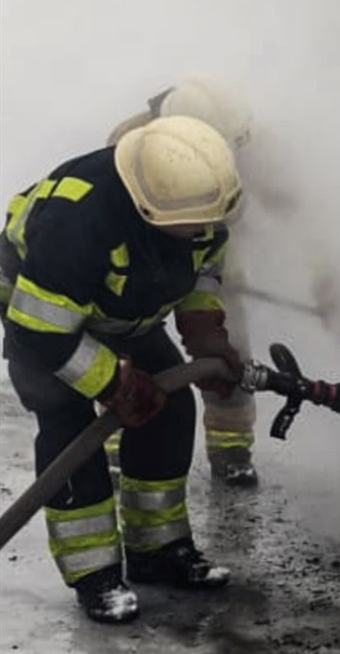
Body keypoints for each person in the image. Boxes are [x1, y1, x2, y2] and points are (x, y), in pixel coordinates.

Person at [0, 114, 245, 624]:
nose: (204, 228)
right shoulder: (79, 218)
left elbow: (201, 269)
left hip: (120, 313)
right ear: (149, 206)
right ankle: (95, 577)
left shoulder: (194, 208)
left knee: (172, 405)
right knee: (71, 429)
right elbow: (40, 330)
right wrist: (114, 382)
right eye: (195, 221)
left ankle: (158, 552)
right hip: (40, 317)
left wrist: (205, 334)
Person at [106, 76, 260, 487]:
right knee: (126, 356)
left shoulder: (243, 142)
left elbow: (294, 208)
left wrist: (328, 283)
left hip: (209, 265)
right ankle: (116, 444)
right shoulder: (130, 140)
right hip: (140, 271)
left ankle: (231, 452)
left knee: (226, 356)